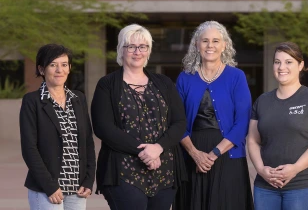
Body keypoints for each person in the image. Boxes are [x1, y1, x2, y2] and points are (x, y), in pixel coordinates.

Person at [91, 24, 187, 210]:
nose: (137, 52)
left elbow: (179, 122)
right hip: (123, 169)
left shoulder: (164, 83)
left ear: (148, 50)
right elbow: (103, 127)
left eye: (142, 47)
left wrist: (158, 147)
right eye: (131, 47)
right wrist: (145, 152)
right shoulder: (107, 85)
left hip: (163, 168)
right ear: (121, 50)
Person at [175, 20, 254, 210]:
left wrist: (213, 154)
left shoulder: (236, 76)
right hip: (192, 155)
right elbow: (176, 121)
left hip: (228, 154)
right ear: (196, 44)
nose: (210, 46)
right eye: (205, 41)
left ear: (224, 45)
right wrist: (195, 154)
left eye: (216, 41)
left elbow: (242, 121)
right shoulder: (185, 78)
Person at [247, 42, 308, 210]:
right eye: (277, 62)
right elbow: (252, 140)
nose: (281, 67)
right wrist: (261, 169)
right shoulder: (262, 101)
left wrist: (295, 169)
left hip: (303, 185)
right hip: (265, 187)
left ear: (300, 65)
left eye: (288, 62)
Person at [19, 44, 96, 210]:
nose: (59, 70)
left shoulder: (78, 99)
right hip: (47, 190)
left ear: (69, 68)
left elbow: (87, 142)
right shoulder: (32, 101)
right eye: (53, 65)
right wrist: (50, 186)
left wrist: (89, 180)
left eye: (64, 64)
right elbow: (29, 148)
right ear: (41, 69)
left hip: (77, 188)